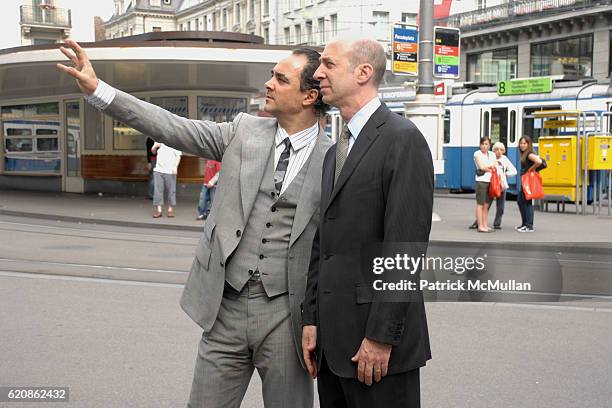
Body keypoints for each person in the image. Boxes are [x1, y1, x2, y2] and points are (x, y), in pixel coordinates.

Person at [57, 39, 332, 408]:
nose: (268, 84)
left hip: (286, 314)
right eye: (271, 76)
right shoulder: (243, 131)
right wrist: (98, 90)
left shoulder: (335, 157)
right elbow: (171, 127)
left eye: (280, 79)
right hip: (226, 307)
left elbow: (342, 247)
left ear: (308, 96)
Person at [301, 38, 433, 408]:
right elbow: (322, 244)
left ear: (363, 72)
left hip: (375, 353)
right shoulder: (335, 151)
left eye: (328, 64)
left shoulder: (402, 139)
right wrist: (311, 320)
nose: (317, 73)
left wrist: (381, 338)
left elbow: (404, 251)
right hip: (332, 348)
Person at [468, 141, 517, 230]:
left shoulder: (504, 159)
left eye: (501, 150)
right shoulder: (490, 157)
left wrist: (505, 173)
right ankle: (478, 223)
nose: (498, 151)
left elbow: (514, 171)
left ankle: (497, 224)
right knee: (486, 204)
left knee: (500, 206)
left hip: (501, 185)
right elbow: (483, 167)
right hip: (491, 183)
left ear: (503, 151)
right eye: (496, 149)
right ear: (493, 150)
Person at [517, 135, 542, 233]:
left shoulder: (529, 154)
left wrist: (530, 169)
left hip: (528, 180)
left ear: (528, 144)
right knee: (521, 201)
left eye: (524, 143)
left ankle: (529, 225)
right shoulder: (524, 154)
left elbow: (539, 161)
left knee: (527, 202)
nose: (522, 145)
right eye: (521, 143)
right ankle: (524, 224)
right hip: (525, 180)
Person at [472, 137, 496, 233]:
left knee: (487, 205)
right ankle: (480, 225)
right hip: (481, 181)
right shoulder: (477, 154)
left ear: (489, 145)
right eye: (483, 144)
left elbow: (495, 165)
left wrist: (488, 167)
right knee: (480, 204)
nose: (484, 146)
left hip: (491, 181)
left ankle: (485, 224)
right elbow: (481, 167)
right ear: (480, 145)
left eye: (486, 144)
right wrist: (489, 167)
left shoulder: (492, 154)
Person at [151, 142, 181, 218]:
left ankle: (170, 209)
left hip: (170, 171)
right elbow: (153, 152)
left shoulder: (174, 141)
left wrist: (175, 167)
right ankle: (159, 210)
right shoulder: (158, 140)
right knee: (158, 190)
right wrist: (155, 146)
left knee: (171, 190)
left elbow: (178, 156)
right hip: (158, 170)